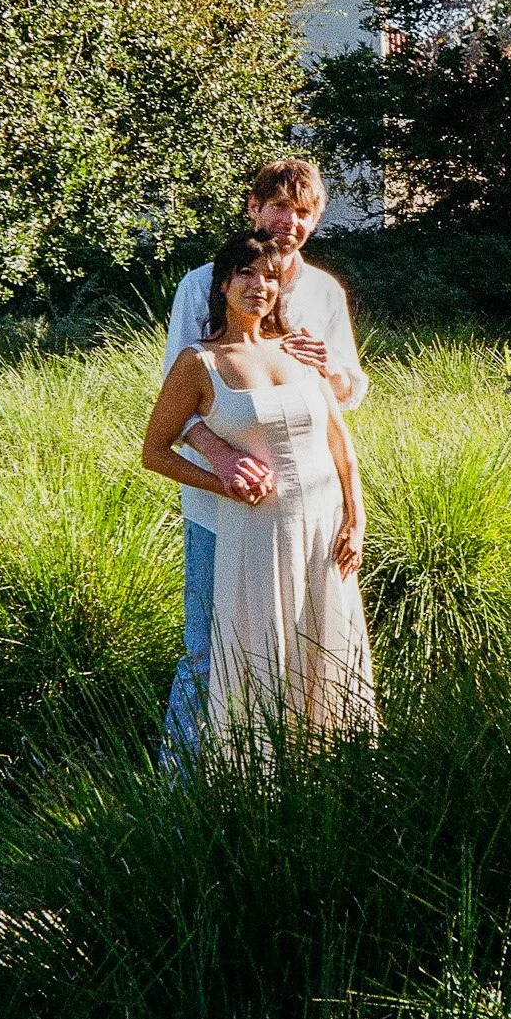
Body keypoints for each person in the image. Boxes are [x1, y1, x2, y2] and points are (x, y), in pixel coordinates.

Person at [155, 158, 368, 760]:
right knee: (209, 646)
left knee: (309, 640)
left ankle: (301, 773)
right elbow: (179, 401)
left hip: (309, 506)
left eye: (303, 212)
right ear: (252, 206)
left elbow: (349, 393)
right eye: (278, 206)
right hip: (219, 505)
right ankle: (179, 786)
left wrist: (328, 367)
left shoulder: (324, 292)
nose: (289, 222)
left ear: (317, 218)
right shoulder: (202, 284)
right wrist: (221, 461)